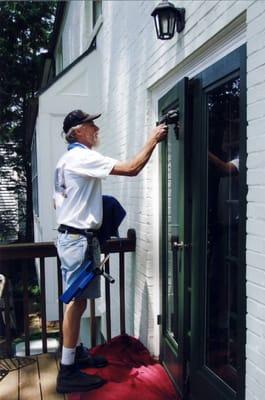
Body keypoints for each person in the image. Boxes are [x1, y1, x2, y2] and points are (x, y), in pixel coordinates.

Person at [53, 109, 167, 393]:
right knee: (76, 302)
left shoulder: (65, 160)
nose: (97, 129)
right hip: (78, 241)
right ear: (78, 131)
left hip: (73, 239)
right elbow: (131, 168)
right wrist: (153, 139)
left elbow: (59, 203)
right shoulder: (81, 156)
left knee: (76, 302)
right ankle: (67, 371)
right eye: (92, 125)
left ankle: (75, 353)